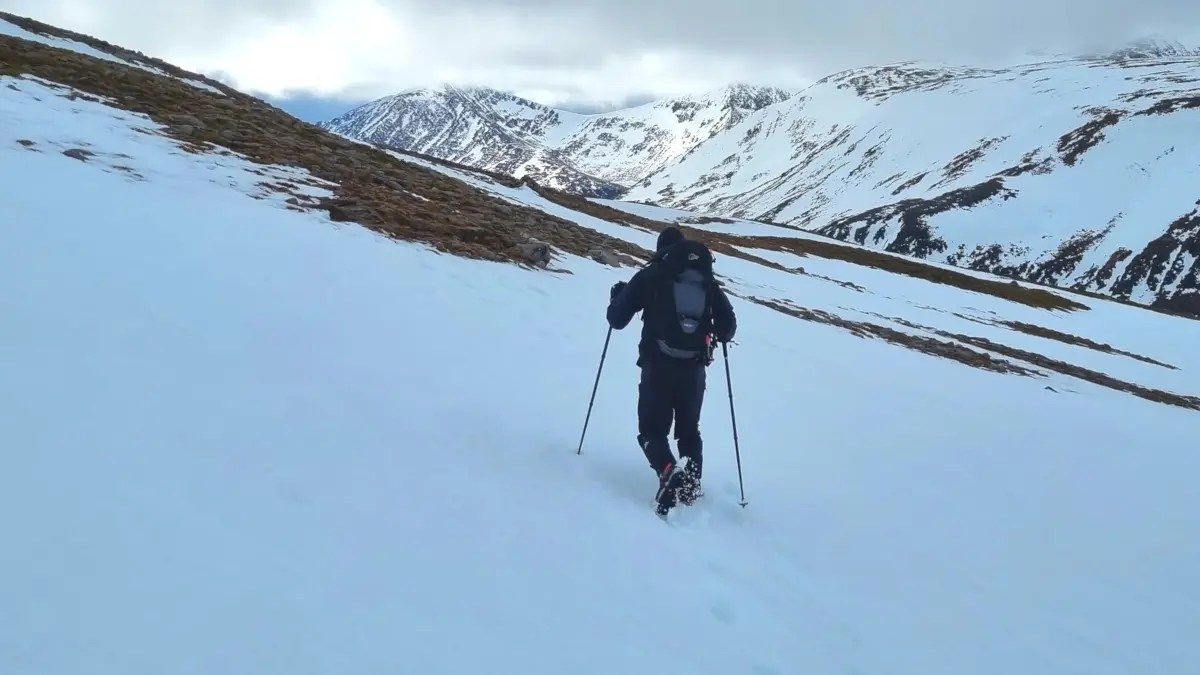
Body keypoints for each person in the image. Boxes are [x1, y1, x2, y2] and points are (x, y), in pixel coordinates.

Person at [606, 226, 737, 515]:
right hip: (694, 368)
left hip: (657, 365)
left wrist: (617, 296)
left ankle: (668, 470)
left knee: (651, 430)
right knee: (689, 431)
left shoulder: (652, 274)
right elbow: (728, 328)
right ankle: (690, 484)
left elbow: (617, 319)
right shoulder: (706, 281)